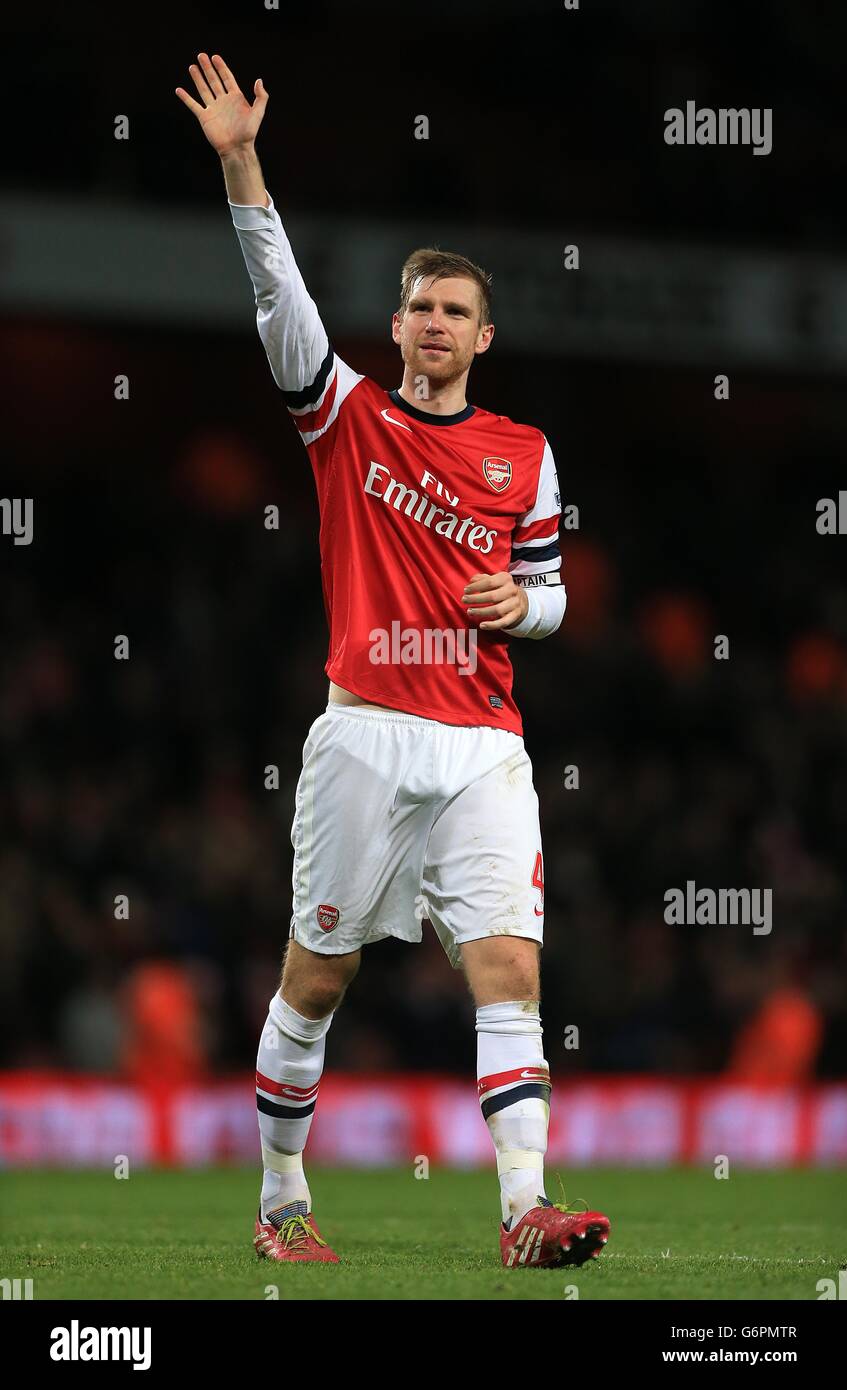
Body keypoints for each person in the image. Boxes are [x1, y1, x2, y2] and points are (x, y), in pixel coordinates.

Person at [176, 52, 610, 1269]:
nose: (434, 324)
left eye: (455, 310)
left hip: (482, 743)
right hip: (363, 729)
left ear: (483, 333)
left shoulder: (525, 454)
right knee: (316, 979)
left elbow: (558, 597)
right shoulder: (342, 413)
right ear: (397, 324)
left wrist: (518, 608)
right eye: (418, 305)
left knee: (509, 965)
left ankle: (526, 1206)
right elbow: (276, 295)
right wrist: (240, 162)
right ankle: (279, 1201)